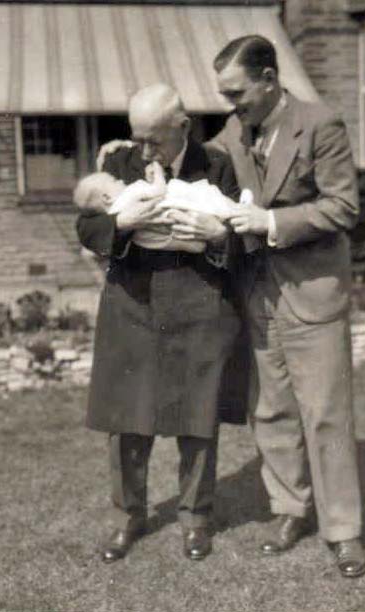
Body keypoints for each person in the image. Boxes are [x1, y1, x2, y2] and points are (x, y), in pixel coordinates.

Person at [210, 35, 365, 578]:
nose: (231, 105)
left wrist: (272, 224)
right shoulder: (234, 131)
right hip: (258, 295)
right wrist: (136, 155)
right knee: (271, 411)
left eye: (237, 92)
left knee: (326, 415)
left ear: (270, 77)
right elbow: (199, 169)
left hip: (312, 294)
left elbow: (343, 206)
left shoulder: (321, 123)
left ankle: (343, 531)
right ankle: (289, 511)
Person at [76, 83, 242, 563]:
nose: (144, 150)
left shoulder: (216, 165)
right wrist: (122, 226)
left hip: (198, 303)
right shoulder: (118, 163)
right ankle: (129, 516)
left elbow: (239, 235)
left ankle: (195, 519)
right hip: (134, 302)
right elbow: (86, 225)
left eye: (155, 140)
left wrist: (216, 236)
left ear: (184, 127)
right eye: (137, 138)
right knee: (128, 417)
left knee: (198, 415)